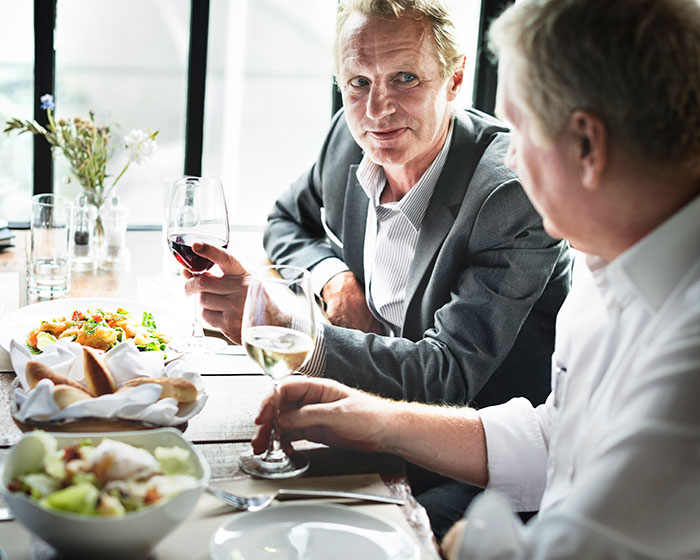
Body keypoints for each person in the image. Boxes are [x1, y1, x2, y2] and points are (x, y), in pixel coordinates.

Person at [249, 0, 700, 557]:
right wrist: (378, 420)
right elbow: (554, 440)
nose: (510, 157)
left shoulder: (690, 347)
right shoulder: (607, 267)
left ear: (587, 146)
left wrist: (467, 545)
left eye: (521, 129)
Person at [185, 0, 570, 538]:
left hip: (472, 462)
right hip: (361, 411)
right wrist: (332, 278)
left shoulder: (508, 194)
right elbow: (286, 220)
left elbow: (448, 377)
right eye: (358, 82)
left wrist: (297, 327)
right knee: (207, 491)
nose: (377, 109)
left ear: (455, 79)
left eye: (405, 78)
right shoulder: (349, 135)